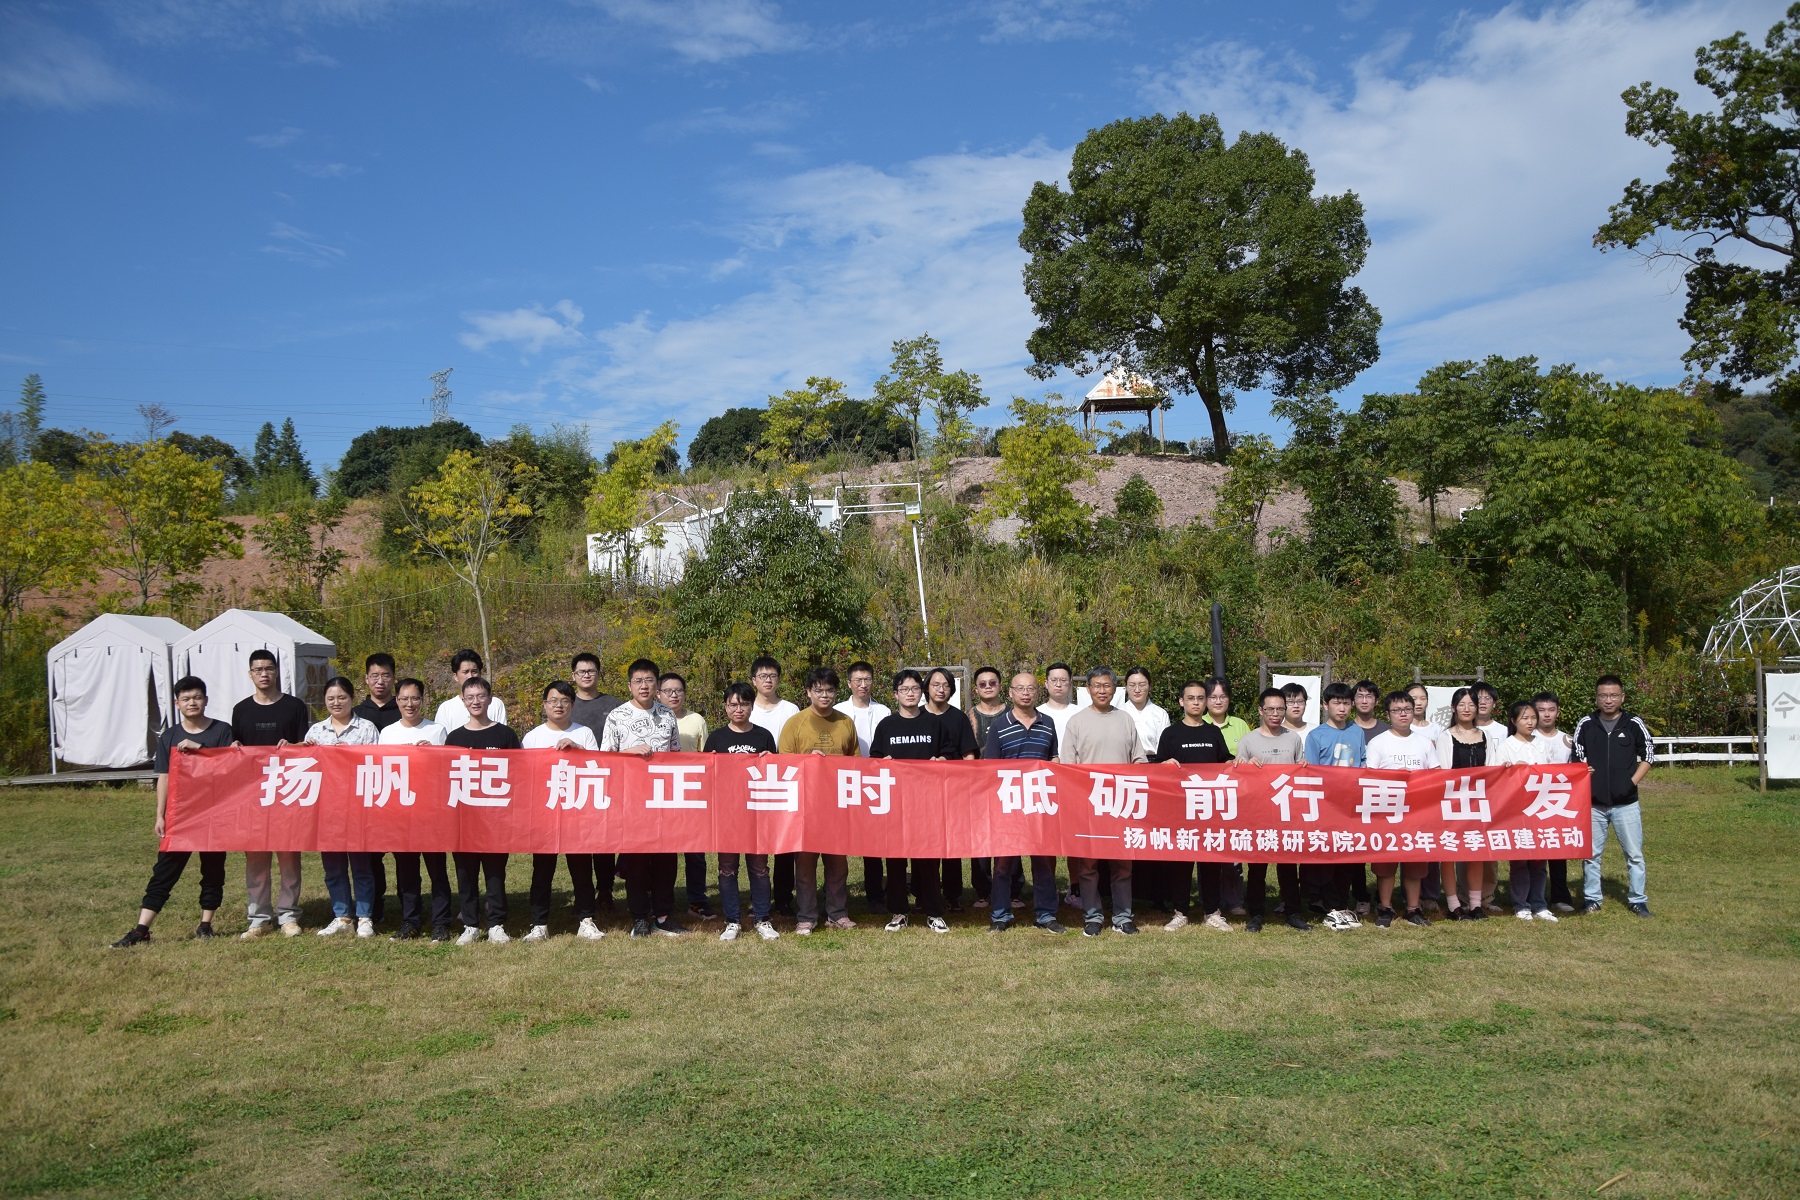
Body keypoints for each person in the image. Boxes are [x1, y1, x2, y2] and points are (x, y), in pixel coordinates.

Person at [111, 676, 236, 948]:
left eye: (197, 697)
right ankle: (141, 930)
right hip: (181, 815)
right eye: (186, 699)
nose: (192, 703)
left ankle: (205, 925)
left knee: (213, 870)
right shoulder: (169, 736)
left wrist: (200, 749)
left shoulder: (222, 730)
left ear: (206, 700)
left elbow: (230, 769)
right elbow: (164, 777)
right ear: (177, 703)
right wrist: (161, 814)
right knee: (164, 871)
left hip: (214, 812)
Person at [602, 658, 685, 938]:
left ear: (657, 685)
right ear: (630, 685)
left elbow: (676, 755)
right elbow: (605, 758)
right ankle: (639, 916)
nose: (644, 686)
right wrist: (630, 752)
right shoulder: (617, 716)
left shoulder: (667, 714)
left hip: (663, 798)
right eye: (638, 681)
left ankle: (663, 915)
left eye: (649, 680)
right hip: (631, 800)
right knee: (635, 860)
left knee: (666, 860)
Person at [235, 649, 312, 939]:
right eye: (258, 669)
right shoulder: (241, 709)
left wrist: (293, 746)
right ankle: (259, 918)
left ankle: (289, 916)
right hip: (253, 794)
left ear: (277, 671)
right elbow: (236, 751)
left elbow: (307, 747)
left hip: (288, 791)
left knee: (289, 857)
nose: (264, 674)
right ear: (250, 674)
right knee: (256, 859)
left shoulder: (294, 706)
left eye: (268, 668)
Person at [870, 670, 954, 934]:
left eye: (915, 689)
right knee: (895, 860)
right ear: (895, 694)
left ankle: (934, 912)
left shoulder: (934, 724)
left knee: (927, 860)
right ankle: (898, 912)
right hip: (895, 803)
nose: (910, 693)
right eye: (904, 689)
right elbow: (875, 759)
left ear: (922, 692)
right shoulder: (886, 725)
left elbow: (949, 755)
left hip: (927, 803)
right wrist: (884, 763)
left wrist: (940, 761)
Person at [778, 665, 859, 935]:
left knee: (838, 863)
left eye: (829, 690)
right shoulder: (795, 723)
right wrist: (806, 760)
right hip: (805, 806)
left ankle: (837, 913)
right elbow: (784, 765)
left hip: (837, 805)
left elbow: (856, 764)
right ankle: (807, 916)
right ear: (808, 692)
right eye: (819, 690)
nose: (824, 695)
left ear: (837, 692)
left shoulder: (845, 722)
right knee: (805, 864)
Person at [1064, 666, 1145, 936]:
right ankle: (1093, 917)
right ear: (1088, 689)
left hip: (1122, 803)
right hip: (1089, 804)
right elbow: (1068, 767)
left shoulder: (1125, 719)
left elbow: (1139, 760)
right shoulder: (1076, 722)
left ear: (1114, 689)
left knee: (1123, 864)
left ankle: (1123, 917)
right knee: (1088, 865)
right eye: (1097, 686)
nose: (1102, 690)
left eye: (1107, 685)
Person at [522, 681, 604, 943]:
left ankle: (586, 919)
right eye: (553, 700)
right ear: (544, 704)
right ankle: (539, 923)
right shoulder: (533, 737)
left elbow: (599, 767)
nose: (559, 705)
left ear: (572, 704)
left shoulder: (584, 733)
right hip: (544, 811)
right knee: (542, 869)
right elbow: (524, 775)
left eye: (565, 701)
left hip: (577, 810)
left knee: (581, 868)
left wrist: (579, 750)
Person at [986, 671, 1066, 934]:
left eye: (1030, 688)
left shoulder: (1048, 723)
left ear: (1037, 692)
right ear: (1010, 692)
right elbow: (990, 769)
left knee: (1043, 862)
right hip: (1008, 804)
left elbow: (1053, 758)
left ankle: (1046, 914)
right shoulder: (999, 726)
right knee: (1003, 864)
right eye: (1020, 688)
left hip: (1039, 803)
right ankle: (1000, 914)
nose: (1025, 693)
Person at [445, 675, 521, 944]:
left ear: (490, 699)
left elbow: (519, 773)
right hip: (464, 819)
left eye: (480, 696)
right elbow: (446, 776)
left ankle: (497, 923)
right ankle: (470, 924)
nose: (475, 701)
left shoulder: (505, 735)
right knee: (465, 873)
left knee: (495, 873)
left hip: (495, 818)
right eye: (470, 697)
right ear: (463, 701)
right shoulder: (455, 737)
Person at [1151, 680, 1231, 933]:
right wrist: (1163, 765)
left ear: (1205, 702)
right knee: (1181, 863)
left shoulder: (1213, 732)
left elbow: (1225, 762)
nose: (1196, 703)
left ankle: (1212, 912)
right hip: (1179, 808)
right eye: (1191, 698)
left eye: (1200, 698)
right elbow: (1158, 769)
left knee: (1211, 861)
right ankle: (1180, 912)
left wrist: (1237, 762)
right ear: (1181, 702)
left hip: (1209, 807)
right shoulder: (1171, 733)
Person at [306, 676, 382, 938]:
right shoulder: (316, 731)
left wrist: (353, 753)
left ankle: (365, 917)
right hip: (326, 808)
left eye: (342, 697)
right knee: (333, 866)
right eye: (331, 698)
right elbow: (306, 768)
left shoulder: (367, 728)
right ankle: (342, 916)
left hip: (357, 807)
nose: (336, 702)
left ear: (352, 699)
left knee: (361, 865)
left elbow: (377, 764)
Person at [1573, 675, 1654, 918]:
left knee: (1634, 855)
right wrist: (1584, 772)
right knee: (1591, 855)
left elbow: (1648, 755)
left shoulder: (1633, 724)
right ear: (1596, 698)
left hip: (1626, 803)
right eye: (1603, 695)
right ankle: (1592, 899)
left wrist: (1631, 782)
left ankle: (1638, 900)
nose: (1608, 700)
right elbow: (1577, 757)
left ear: (1622, 697)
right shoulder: (1586, 724)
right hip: (1593, 804)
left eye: (1613, 695)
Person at [379, 678, 453, 941]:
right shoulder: (387, 733)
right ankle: (410, 921)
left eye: (415, 698)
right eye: (404, 699)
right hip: (400, 812)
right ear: (396, 701)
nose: (409, 704)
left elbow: (448, 769)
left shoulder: (437, 730)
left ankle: (441, 922)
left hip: (432, 812)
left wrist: (433, 753)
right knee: (406, 870)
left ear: (423, 700)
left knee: (437, 870)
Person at [706, 683, 780, 941]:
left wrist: (771, 759)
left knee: (759, 868)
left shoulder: (763, 736)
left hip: (756, 813)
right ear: (725, 707)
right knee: (727, 868)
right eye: (733, 704)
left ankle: (762, 918)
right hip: (727, 814)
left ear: (751, 706)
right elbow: (707, 777)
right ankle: (732, 920)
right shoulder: (716, 738)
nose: (739, 709)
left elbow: (775, 774)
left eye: (744, 704)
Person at [1235, 688, 1311, 933]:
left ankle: (1293, 912)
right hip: (1257, 812)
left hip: (1287, 811)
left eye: (1280, 709)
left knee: (1288, 865)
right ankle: (1256, 914)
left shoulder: (1293, 738)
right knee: (1257, 867)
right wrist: (1245, 766)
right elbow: (1237, 775)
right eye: (1270, 709)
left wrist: (1303, 765)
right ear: (1261, 710)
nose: (1276, 714)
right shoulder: (1248, 740)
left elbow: (1300, 769)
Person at [1364, 691, 1441, 928]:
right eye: (1397, 710)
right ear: (1388, 714)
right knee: (1386, 864)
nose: (1403, 714)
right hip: (1387, 812)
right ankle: (1385, 907)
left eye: (1407, 709)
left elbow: (1436, 775)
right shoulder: (1378, 743)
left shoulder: (1424, 742)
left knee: (1415, 862)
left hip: (1418, 812)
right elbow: (1369, 777)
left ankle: (1413, 908)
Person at [1305, 681, 1366, 931]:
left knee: (1348, 855)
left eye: (1346, 703)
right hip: (1326, 805)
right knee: (1327, 856)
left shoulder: (1356, 731)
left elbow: (1363, 763)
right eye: (1337, 703)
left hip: (1351, 804)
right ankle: (1329, 906)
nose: (1342, 708)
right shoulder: (1316, 735)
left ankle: (1342, 903)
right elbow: (1311, 773)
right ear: (1325, 705)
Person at [835, 660, 893, 915]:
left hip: (875, 782)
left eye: (867, 679)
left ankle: (875, 895)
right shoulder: (838, 711)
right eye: (858, 680)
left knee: (874, 843)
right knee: (839, 841)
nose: (863, 684)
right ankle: (836, 896)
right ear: (849, 683)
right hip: (844, 780)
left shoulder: (884, 711)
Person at [659, 671, 716, 922]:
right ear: (658, 694)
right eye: (668, 691)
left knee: (695, 852)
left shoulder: (696, 720)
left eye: (678, 690)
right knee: (662, 852)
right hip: (660, 792)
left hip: (692, 792)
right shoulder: (653, 718)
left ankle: (697, 901)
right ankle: (661, 901)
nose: (674, 695)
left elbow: (707, 758)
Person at [1432, 688, 1491, 921]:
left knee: (1476, 851)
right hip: (1452, 802)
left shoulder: (1485, 736)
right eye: (1462, 704)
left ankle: (1475, 904)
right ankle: (1453, 904)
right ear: (1453, 708)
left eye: (1471, 704)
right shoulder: (1446, 737)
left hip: (1478, 802)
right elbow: (1444, 772)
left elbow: (1492, 769)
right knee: (1449, 852)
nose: (1467, 709)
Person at [1493, 700, 1554, 922]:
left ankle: (1539, 903)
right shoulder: (1506, 746)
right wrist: (1511, 770)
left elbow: (1555, 774)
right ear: (1514, 721)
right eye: (1524, 718)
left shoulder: (1543, 745)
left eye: (1533, 718)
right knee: (1519, 860)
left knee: (1539, 860)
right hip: (1516, 810)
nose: (1530, 722)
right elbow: (1496, 777)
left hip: (1540, 808)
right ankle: (1521, 904)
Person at [748, 656, 800, 915]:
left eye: (772, 676)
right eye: (763, 676)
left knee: (784, 844)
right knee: (754, 844)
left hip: (784, 782)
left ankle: (783, 897)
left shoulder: (790, 709)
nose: (768, 680)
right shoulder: (747, 708)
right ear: (753, 680)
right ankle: (757, 897)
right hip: (753, 784)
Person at [352, 653, 401, 924]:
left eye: (385, 675)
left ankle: (409, 906)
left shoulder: (404, 708)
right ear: (366, 679)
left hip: (401, 793)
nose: (380, 681)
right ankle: (375, 904)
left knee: (405, 854)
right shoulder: (356, 714)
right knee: (371, 855)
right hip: (368, 794)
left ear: (393, 678)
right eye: (375, 676)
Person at [924, 666, 978, 910]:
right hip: (922, 793)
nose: (941, 689)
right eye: (936, 684)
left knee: (951, 843)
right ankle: (924, 893)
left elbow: (969, 754)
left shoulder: (959, 718)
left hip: (953, 791)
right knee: (924, 844)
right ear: (926, 687)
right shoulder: (915, 716)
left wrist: (966, 784)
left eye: (946, 685)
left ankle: (952, 895)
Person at [571, 652, 622, 910]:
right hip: (575, 782)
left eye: (591, 671)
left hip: (607, 779)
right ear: (574, 676)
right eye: (582, 671)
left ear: (599, 674)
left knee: (604, 840)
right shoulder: (566, 703)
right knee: (578, 840)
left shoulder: (613, 704)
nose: (587, 675)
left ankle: (605, 890)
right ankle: (582, 892)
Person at [1532, 691, 1577, 911]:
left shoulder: (1568, 740)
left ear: (1558, 712)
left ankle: (1560, 896)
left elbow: (1577, 769)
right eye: (1541, 710)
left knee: (1558, 850)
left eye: (1551, 710)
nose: (1546, 715)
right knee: (1533, 852)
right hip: (1532, 802)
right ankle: (1532, 896)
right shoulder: (1527, 738)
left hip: (1560, 803)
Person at [434, 649, 506, 729]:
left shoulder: (495, 704)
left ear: (480, 673)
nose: (470, 676)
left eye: (474, 671)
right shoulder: (446, 709)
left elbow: (502, 734)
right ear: (455, 676)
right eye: (465, 672)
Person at [1040, 662, 1086, 748]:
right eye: (1053, 680)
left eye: (1063, 680)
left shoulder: (1081, 713)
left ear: (1070, 684)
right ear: (1046, 684)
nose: (1058, 685)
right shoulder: (1036, 714)